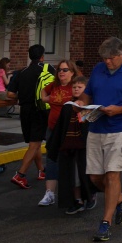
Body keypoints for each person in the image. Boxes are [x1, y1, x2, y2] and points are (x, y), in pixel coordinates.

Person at [81, 37, 122, 243]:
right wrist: (80, 105)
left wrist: (119, 110)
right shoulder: (98, 70)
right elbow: (88, 94)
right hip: (97, 127)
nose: (107, 62)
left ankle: (105, 223)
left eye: (110, 58)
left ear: (121, 55)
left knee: (112, 175)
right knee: (94, 177)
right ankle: (120, 198)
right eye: (104, 58)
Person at [45, 75, 95, 215]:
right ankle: (77, 200)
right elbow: (60, 129)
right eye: (74, 87)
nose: (76, 89)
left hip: (85, 148)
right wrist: (54, 147)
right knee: (73, 177)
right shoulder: (67, 107)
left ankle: (90, 196)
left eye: (80, 87)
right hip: (69, 148)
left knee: (88, 174)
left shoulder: (90, 107)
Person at [6, 44, 53, 189]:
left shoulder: (21, 72)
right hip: (40, 109)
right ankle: (20, 175)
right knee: (35, 143)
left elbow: (10, 94)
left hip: (25, 110)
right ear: (42, 56)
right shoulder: (47, 69)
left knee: (34, 141)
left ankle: (41, 170)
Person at [37, 59, 78, 207]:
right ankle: (49, 194)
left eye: (65, 70)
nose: (61, 72)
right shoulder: (54, 85)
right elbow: (43, 92)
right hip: (53, 129)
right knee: (52, 160)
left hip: (69, 131)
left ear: (72, 72)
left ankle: (73, 193)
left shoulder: (75, 87)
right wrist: (45, 98)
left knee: (70, 161)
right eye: (59, 69)